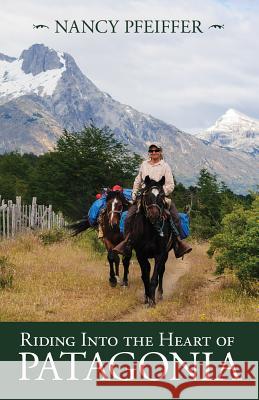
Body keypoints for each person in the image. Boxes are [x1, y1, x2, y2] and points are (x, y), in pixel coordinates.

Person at [113, 142, 192, 258]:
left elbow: (170, 185)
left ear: (160, 152)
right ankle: (127, 243)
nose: (153, 153)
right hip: (145, 196)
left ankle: (177, 243)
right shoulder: (144, 164)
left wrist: (159, 193)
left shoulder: (165, 166)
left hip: (160, 196)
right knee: (129, 216)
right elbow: (138, 180)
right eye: (151, 151)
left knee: (175, 216)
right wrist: (135, 193)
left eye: (156, 151)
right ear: (149, 153)